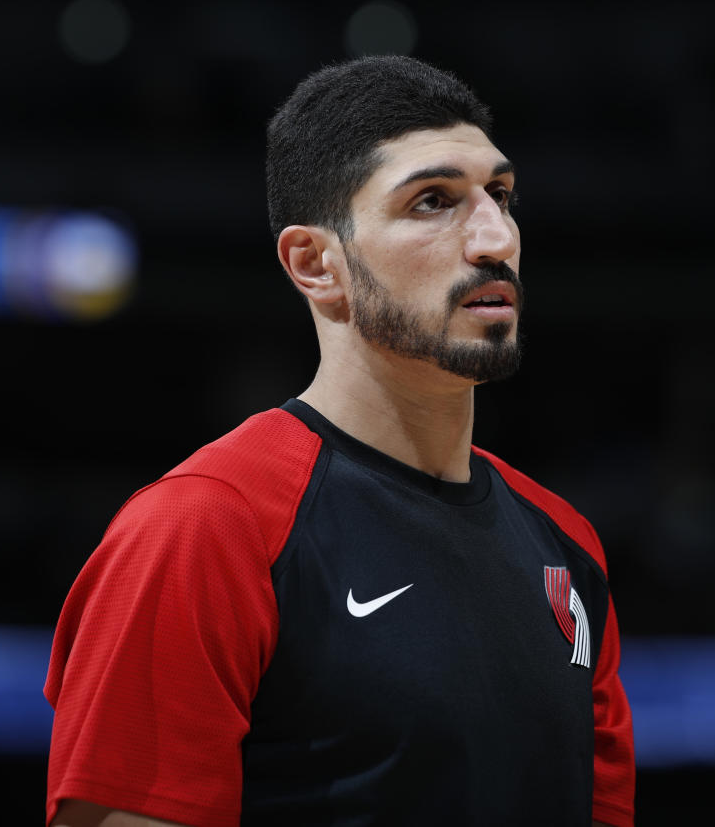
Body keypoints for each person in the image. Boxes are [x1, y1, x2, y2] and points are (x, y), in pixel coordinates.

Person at [44, 55, 635, 827]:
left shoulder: (569, 547)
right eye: (434, 201)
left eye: (500, 195)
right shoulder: (202, 529)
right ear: (315, 264)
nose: (495, 238)